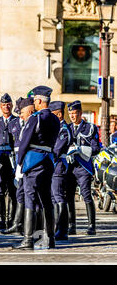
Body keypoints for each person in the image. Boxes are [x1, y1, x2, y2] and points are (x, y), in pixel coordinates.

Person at [13, 86, 60, 250]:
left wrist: (19, 163)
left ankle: (28, 239)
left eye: (34, 100)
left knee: (30, 199)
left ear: (39, 101)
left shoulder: (35, 118)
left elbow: (24, 142)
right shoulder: (55, 119)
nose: (33, 103)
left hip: (33, 162)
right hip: (48, 161)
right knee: (47, 200)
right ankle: (50, 239)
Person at [1, 97, 34, 235]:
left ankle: (27, 226)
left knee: (28, 194)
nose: (20, 115)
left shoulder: (31, 122)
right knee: (19, 193)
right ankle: (17, 223)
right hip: (16, 160)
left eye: (21, 112)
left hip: (28, 159)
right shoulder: (14, 123)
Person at [66, 100, 99, 236]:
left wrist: (80, 149)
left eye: (75, 113)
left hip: (83, 167)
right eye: (70, 113)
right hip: (69, 166)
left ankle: (91, 225)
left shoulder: (90, 128)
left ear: (80, 113)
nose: (73, 116)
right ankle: (71, 225)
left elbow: (96, 148)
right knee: (68, 196)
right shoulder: (66, 128)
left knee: (86, 194)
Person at [0, 93, 18, 230]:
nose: (6, 107)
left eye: (8, 104)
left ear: (11, 105)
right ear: (0, 107)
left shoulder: (17, 121)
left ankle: (12, 219)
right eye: (3, 105)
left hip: (12, 157)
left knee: (13, 189)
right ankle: (1, 219)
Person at [49, 101, 73, 241]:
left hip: (58, 165)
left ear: (58, 114)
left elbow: (56, 149)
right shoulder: (56, 128)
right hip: (54, 165)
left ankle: (62, 229)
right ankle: (56, 227)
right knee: (53, 197)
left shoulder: (63, 129)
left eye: (53, 114)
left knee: (58, 196)